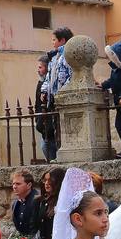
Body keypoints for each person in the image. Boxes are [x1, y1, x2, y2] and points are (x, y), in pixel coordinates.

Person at [43, 28, 73, 161]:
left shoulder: (68, 55)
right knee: (58, 128)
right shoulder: (54, 58)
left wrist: (64, 90)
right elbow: (49, 77)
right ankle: (60, 153)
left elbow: (71, 74)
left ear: (62, 40)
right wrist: (45, 90)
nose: (52, 42)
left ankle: (66, 152)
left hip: (64, 97)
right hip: (55, 98)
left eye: (54, 39)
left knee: (65, 127)